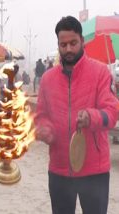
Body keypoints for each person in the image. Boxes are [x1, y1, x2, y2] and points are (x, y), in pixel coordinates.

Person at [35, 16, 119, 214]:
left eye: (73, 43)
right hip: (59, 169)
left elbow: (112, 112)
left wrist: (91, 117)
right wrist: (44, 129)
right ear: (58, 45)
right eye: (63, 44)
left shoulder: (100, 73)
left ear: (82, 41)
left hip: (94, 169)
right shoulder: (47, 79)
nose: (69, 49)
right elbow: (41, 116)